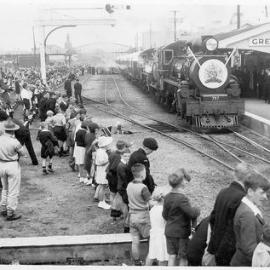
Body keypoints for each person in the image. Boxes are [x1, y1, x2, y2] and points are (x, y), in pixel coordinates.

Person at [207, 162, 251, 266]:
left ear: (234, 174)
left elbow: (212, 218)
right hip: (228, 252)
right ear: (247, 178)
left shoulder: (222, 192)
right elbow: (234, 228)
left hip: (216, 245)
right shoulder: (242, 197)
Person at [162, 168, 200, 266]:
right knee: (183, 257)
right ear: (181, 183)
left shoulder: (167, 197)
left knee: (172, 256)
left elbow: (164, 215)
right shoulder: (182, 198)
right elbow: (192, 213)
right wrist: (197, 209)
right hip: (181, 233)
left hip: (169, 231)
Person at [230, 173, 270, 266]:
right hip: (245, 264)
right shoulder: (247, 214)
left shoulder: (250, 207)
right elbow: (249, 249)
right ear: (250, 192)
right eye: (262, 192)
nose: (265, 197)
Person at [127, 163, 151, 266]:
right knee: (151, 238)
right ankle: (150, 259)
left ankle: (137, 262)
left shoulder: (129, 185)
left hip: (132, 216)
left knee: (135, 241)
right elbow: (150, 202)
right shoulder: (143, 187)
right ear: (142, 174)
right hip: (143, 216)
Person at [0, 118, 24, 221]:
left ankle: (3, 208)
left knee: (5, 188)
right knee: (13, 190)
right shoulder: (14, 141)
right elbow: (23, 153)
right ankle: (10, 212)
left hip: (1, 164)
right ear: (13, 130)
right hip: (12, 164)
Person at [146, 187, 169, 266]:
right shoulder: (164, 210)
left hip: (154, 233)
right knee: (163, 257)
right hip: (163, 235)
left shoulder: (153, 209)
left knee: (151, 254)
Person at [111, 147, 131, 223]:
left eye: (129, 156)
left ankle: (116, 217)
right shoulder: (121, 166)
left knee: (118, 202)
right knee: (123, 203)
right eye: (125, 156)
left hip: (121, 186)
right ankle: (125, 218)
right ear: (121, 156)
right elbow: (124, 178)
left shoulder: (124, 164)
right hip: (122, 187)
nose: (127, 158)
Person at [94, 136, 113, 209]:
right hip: (103, 171)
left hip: (101, 171)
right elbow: (101, 162)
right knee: (103, 186)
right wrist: (109, 160)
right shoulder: (102, 152)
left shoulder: (100, 151)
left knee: (101, 186)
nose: (109, 145)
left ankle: (101, 200)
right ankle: (101, 202)